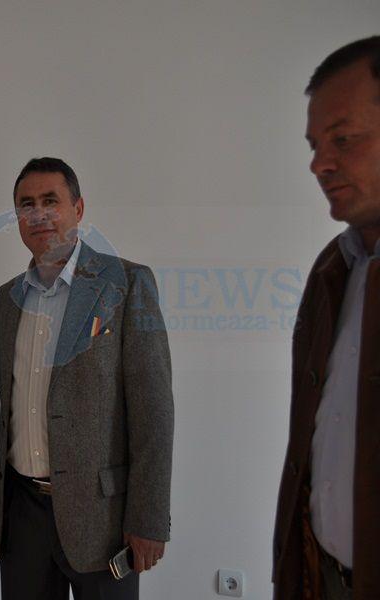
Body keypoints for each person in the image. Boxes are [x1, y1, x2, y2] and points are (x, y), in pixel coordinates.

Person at [0, 157, 174, 600]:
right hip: (22, 512)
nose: (39, 214)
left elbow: (154, 411)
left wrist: (149, 518)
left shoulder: (126, 284)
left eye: (51, 201)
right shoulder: (9, 298)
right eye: (27, 205)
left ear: (78, 208)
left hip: (102, 518)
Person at [272, 36, 380, 600]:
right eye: (315, 145)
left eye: (344, 138)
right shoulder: (333, 271)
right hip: (324, 577)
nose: (319, 164)